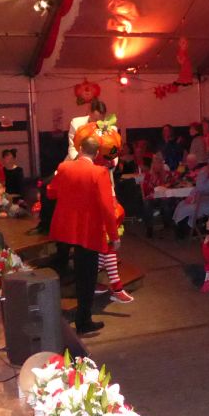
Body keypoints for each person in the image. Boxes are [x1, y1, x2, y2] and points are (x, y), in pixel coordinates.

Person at [46, 134, 118, 336]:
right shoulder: (99, 172)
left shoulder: (64, 167)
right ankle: (83, 321)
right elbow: (107, 208)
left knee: (71, 270)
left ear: (79, 150)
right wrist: (114, 236)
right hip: (88, 230)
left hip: (66, 228)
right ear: (97, 153)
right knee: (87, 276)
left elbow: (51, 192)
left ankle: (56, 315)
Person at [173, 153, 209, 236]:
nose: (208, 167)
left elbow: (200, 187)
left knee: (185, 207)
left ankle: (183, 230)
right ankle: (182, 228)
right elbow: (198, 188)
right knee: (182, 204)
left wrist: (202, 173)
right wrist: (191, 195)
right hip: (204, 202)